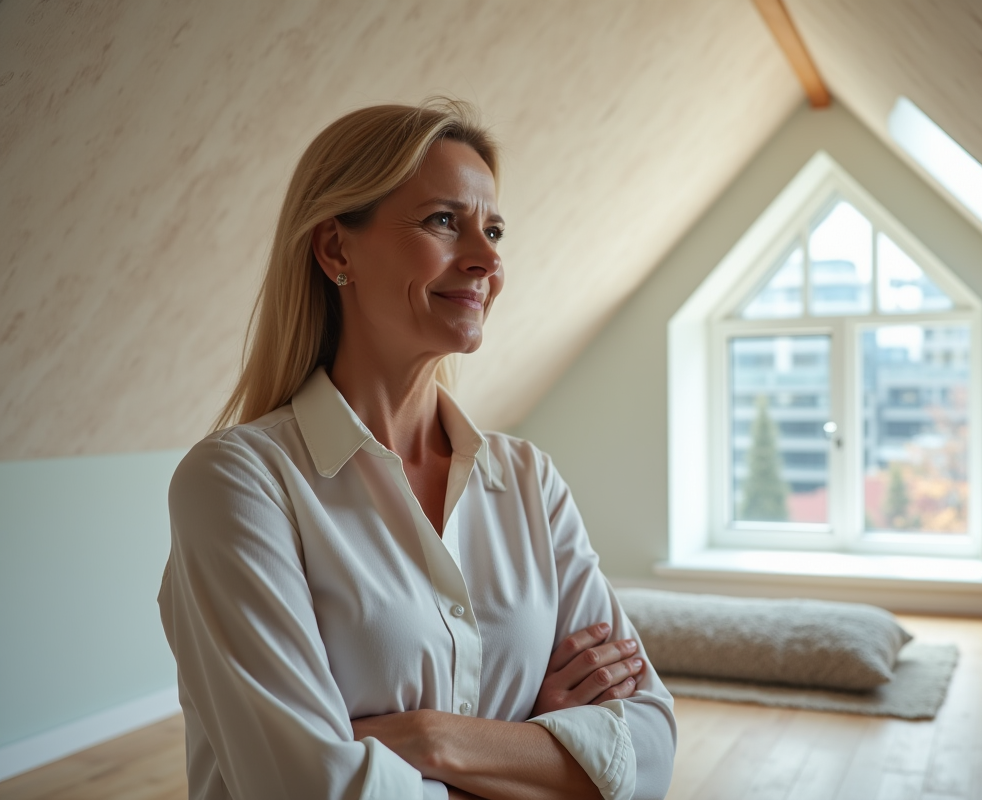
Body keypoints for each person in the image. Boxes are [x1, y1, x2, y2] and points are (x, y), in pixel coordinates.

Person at [158, 100, 676, 800]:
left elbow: (649, 753)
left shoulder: (529, 479)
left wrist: (432, 740)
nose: (488, 259)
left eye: (493, 229)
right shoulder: (237, 484)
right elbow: (310, 790)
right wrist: (539, 748)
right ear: (336, 250)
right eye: (443, 221)